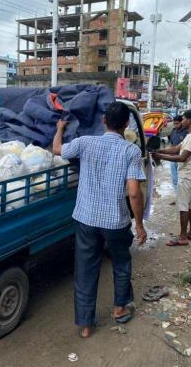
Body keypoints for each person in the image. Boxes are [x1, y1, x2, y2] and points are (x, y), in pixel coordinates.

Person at [52, 101, 147, 339]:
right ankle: (119, 308)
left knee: (85, 270)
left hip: (86, 219)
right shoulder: (131, 151)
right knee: (121, 263)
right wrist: (139, 224)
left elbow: (57, 150)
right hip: (116, 222)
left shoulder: (85, 143)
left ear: (104, 120)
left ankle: (85, 325)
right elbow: (134, 192)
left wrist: (60, 129)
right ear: (126, 124)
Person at [152, 110, 191, 247]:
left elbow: (182, 157)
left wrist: (161, 157)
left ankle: (182, 237)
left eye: (184, 119)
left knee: (183, 206)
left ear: (190, 120)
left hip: (188, 175)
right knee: (190, 204)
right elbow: (176, 149)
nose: (182, 121)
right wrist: (160, 151)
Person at [168, 115, 188, 194]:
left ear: (181, 122)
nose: (176, 125)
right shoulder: (173, 131)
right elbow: (172, 145)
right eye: (174, 124)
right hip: (173, 158)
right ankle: (177, 197)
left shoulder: (186, 132)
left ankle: (183, 197)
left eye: (177, 123)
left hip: (182, 159)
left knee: (182, 180)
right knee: (174, 179)